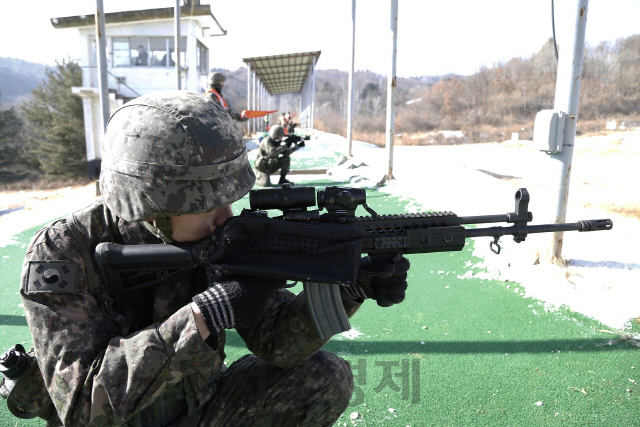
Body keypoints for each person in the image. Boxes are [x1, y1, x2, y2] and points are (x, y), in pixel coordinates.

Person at [18, 91, 410, 426]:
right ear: (153, 206)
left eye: (231, 199)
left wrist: (351, 285)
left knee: (325, 375)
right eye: (209, 205)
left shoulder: (218, 238)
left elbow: (280, 345)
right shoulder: (63, 254)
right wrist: (203, 317)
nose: (226, 217)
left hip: (201, 410)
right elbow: (85, 408)